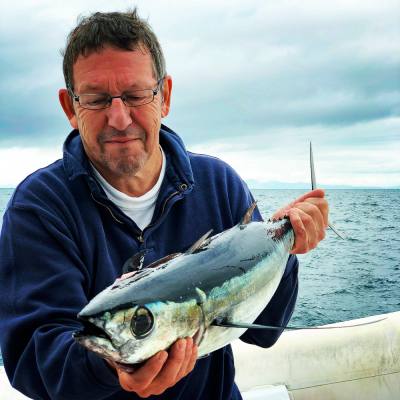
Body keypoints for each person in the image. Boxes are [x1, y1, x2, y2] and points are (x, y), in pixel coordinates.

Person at [0, 9, 328, 400]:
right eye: (96, 99)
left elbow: (266, 329)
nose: (119, 119)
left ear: (165, 96)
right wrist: (108, 367)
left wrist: (289, 246)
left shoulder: (219, 183)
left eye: (136, 95)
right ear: (70, 108)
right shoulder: (39, 207)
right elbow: (31, 359)